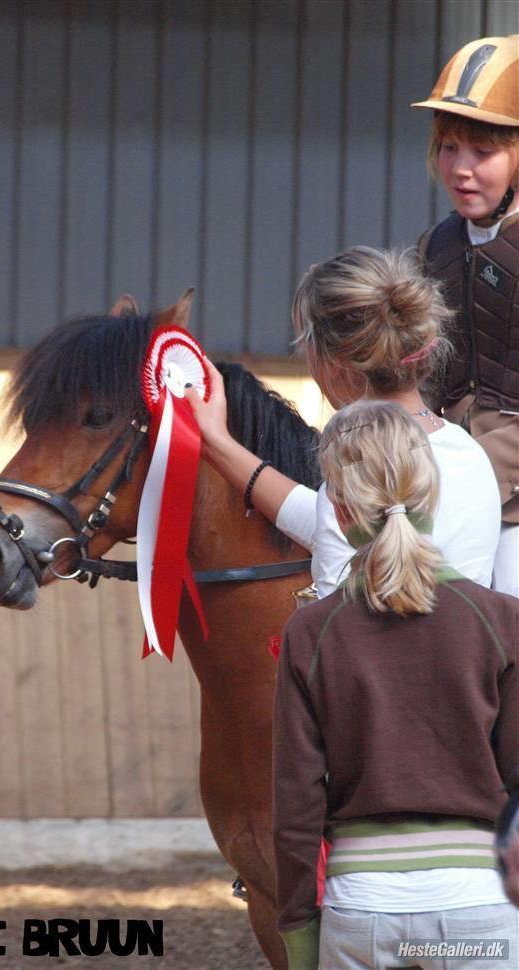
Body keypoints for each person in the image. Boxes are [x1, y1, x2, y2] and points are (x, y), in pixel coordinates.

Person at [272, 400, 519, 970]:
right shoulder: (502, 621)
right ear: (432, 493)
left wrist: (297, 929)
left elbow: (296, 805)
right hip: (479, 902)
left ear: (336, 508)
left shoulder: (311, 632)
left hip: (362, 911)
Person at [185, 246, 501, 597]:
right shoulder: (468, 453)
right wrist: (218, 443)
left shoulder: (356, 467)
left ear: (333, 362)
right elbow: (330, 523)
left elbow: (338, 630)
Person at [412, 34, 519, 596]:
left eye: (483, 152)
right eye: (450, 148)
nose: (461, 169)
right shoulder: (435, 247)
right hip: (442, 482)